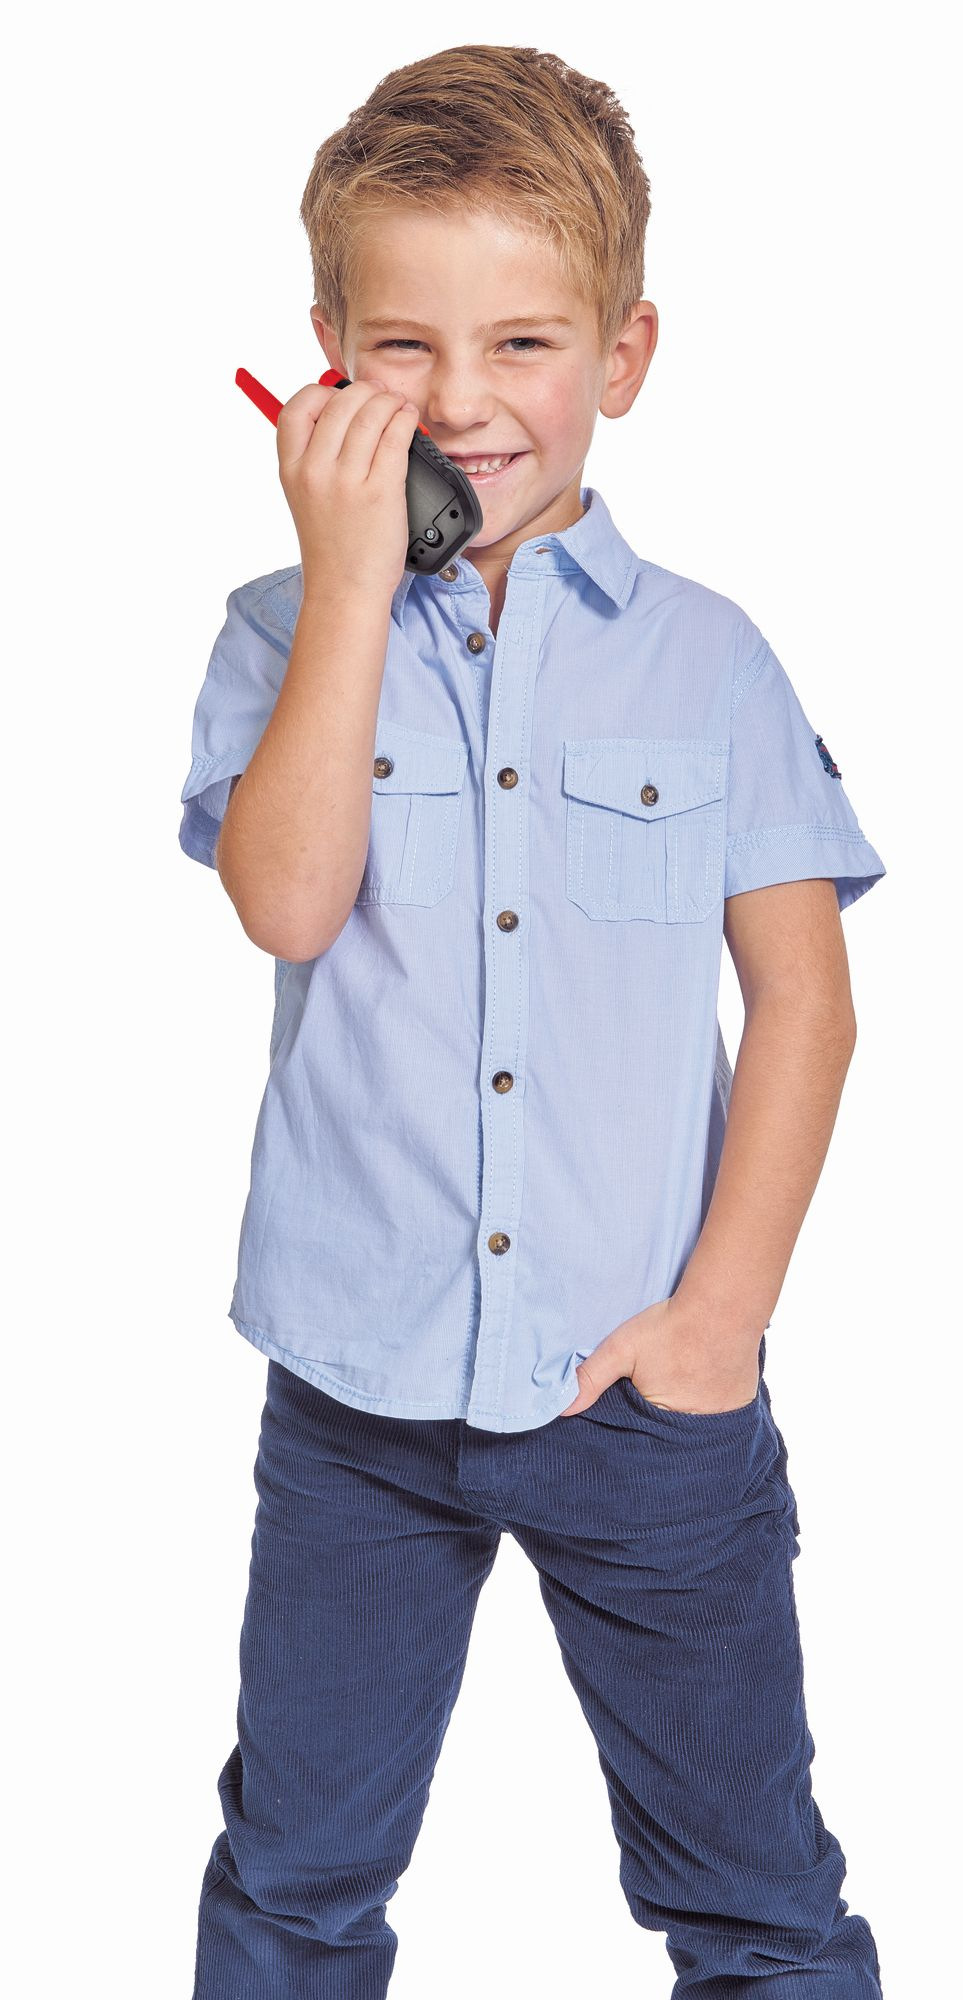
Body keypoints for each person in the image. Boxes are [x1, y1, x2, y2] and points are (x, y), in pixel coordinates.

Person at [179, 43, 887, 2000]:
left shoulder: (708, 659)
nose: (462, 398)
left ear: (623, 356)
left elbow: (806, 1001)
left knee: (756, 1904)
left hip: (639, 1394)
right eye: (401, 345)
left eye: (523, 342)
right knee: (293, 1883)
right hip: (357, 1391)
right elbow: (286, 900)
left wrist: (717, 1322)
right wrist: (350, 587)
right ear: (327, 360)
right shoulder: (273, 632)